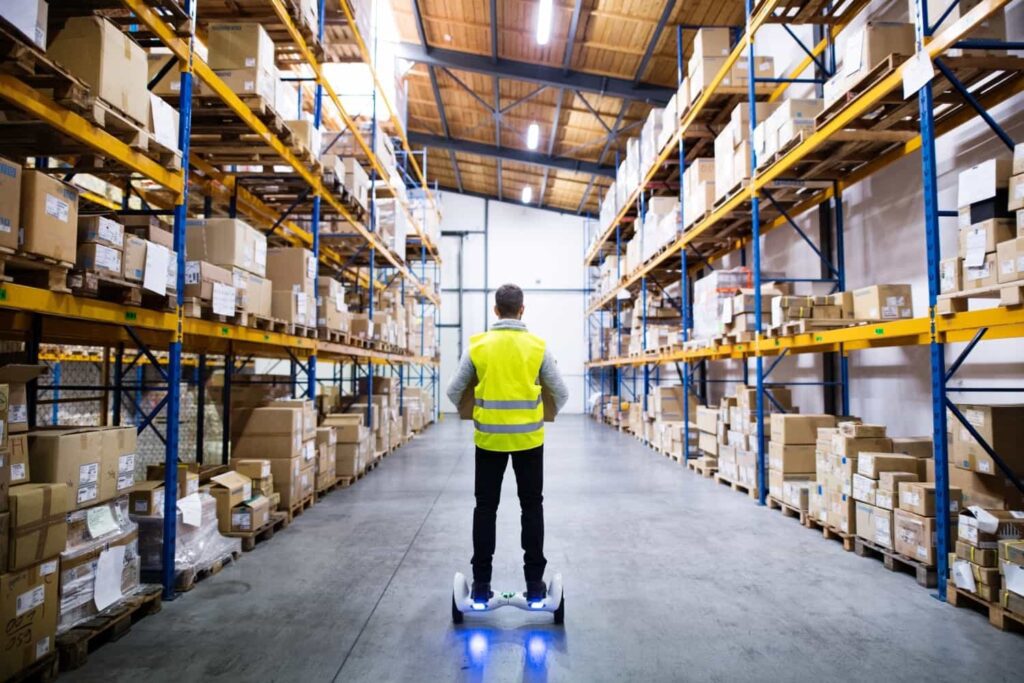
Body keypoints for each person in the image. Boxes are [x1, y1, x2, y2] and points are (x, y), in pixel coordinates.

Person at [446, 283, 569, 604]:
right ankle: (535, 585)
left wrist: (474, 410)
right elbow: (561, 392)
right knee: (532, 507)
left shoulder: (478, 346)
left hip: (489, 440)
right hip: (529, 440)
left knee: (486, 508)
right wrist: (542, 412)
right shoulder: (537, 347)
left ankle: (481, 585)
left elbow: (454, 390)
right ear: (522, 310)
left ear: (496, 310)